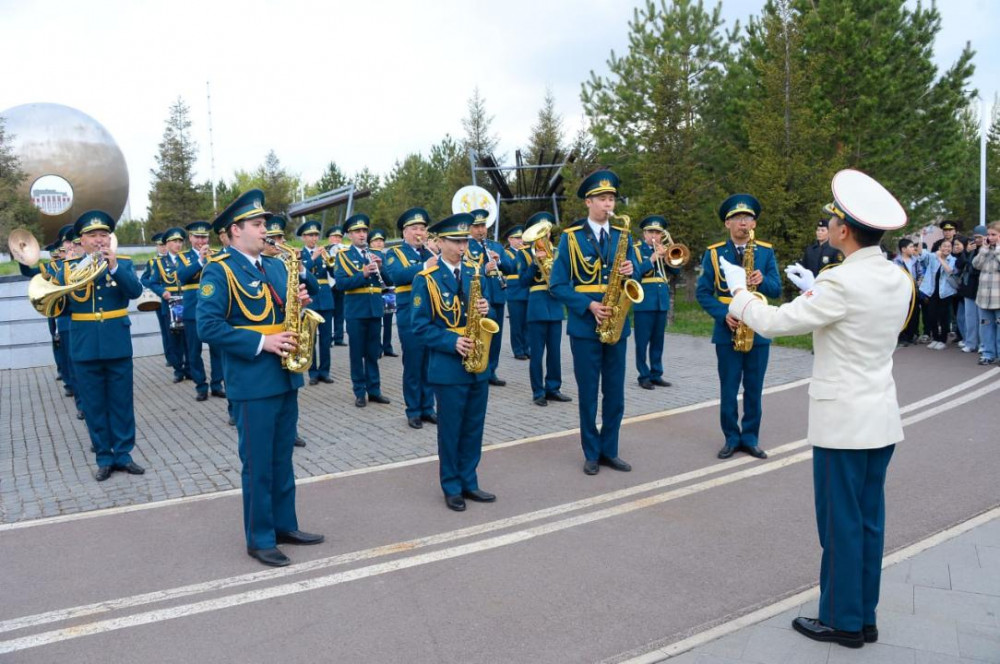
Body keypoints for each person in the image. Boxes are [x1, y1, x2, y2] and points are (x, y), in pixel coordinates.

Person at [723, 169, 911, 649]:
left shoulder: (841, 282)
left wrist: (740, 295)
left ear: (844, 230)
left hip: (842, 422)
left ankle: (843, 621)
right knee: (868, 521)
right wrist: (816, 288)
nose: (826, 227)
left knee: (840, 524)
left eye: (831, 221)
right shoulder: (897, 276)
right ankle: (863, 615)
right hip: (880, 416)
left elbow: (775, 322)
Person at [197, 189, 323, 567]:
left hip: (284, 375)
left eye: (264, 223)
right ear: (235, 231)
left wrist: (299, 303)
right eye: (257, 224)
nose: (265, 230)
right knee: (258, 462)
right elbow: (207, 326)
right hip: (252, 379)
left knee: (282, 457)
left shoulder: (274, 266)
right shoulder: (219, 270)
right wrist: (261, 341)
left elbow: (282, 307)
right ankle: (260, 538)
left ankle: (285, 525)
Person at [549, 170, 639, 475]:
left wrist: (632, 269)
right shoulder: (570, 239)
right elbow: (557, 285)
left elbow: (636, 271)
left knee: (615, 393)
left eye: (611, 198)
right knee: (588, 393)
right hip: (585, 327)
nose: (608, 204)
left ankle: (609, 450)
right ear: (589, 202)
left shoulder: (622, 236)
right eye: (602, 199)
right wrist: (588, 305)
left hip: (617, 324)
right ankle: (591, 452)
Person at [50, 211, 144, 481]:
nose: (100, 240)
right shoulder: (67, 269)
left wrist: (113, 266)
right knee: (93, 404)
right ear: (82, 240)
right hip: (84, 344)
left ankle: (124, 455)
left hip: (117, 342)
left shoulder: (122, 263)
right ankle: (104, 456)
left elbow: (135, 292)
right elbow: (59, 307)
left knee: (121, 402)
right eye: (93, 236)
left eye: (104, 235)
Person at [411, 213, 496, 511]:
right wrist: (452, 342)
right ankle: (451, 486)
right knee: (451, 430)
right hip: (448, 366)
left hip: (477, 363)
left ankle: (469, 481)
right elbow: (419, 327)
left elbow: (490, 316)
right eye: (456, 241)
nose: (463, 247)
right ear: (440, 242)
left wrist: (487, 309)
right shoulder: (426, 280)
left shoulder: (476, 274)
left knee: (474, 427)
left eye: (465, 241)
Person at [696, 193, 781, 460]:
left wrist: (762, 278)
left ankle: (751, 438)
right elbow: (703, 293)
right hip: (727, 329)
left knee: (754, 388)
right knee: (729, 388)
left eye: (748, 218)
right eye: (737, 218)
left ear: (753, 224)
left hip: (758, 331)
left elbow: (776, 289)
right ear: (727, 224)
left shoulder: (765, 252)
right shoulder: (712, 254)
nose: (743, 223)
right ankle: (731, 438)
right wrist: (723, 314)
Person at [384, 207, 438, 429]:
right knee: (414, 363)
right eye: (414, 229)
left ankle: (428, 407)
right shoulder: (394, 253)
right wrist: (425, 266)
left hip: (433, 312)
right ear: (405, 232)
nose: (419, 233)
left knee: (430, 362)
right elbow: (396, 276)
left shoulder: (432, 253)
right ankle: (413, 410)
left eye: (423, 229)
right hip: (410, 313)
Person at [333, 214, 390, 407]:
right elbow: (340, 284)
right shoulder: (343, 256)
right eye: (358, 231)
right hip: (356, 311)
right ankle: (359, 391)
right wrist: (363, 274)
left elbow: (390, 282)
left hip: (374, 309)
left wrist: (380, 269)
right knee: (357, 353)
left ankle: (374, 390)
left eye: (364, 231)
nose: (362, 234)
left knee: (373, 353)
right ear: (349, 234)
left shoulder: (376, 254)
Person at [518, 212, 571, 407]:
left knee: (555, 352)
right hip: (537, 307)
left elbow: (566, 277)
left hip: (555, 306)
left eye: (546, 231)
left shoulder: (558, 252)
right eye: (539, 232)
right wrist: (534, 263)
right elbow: (523, 281)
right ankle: (538, 391)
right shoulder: (524, 253)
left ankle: (553, 388)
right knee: (537, 353)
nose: (544, 235)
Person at [176, 221, 227, 401]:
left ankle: (217, 384)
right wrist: (199, 261)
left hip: (214, 310)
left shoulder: (216, 255)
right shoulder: (183, 257)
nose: (201, 240)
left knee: (217, 349)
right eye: (197, 237)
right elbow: (182, 277)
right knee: (194, 350)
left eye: (204, 237)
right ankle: (201, 386)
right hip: (192, 310)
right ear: (190, 238)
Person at [466, 209, 515, 386]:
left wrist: (499, 262)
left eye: (483, 226)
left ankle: (491, 370)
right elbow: (466, 270)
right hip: (480, 299)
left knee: (496, 336)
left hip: (498, 297)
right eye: (477, 226)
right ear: (470, 228)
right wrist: (484, 270)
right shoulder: (466, 247)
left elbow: (511, 268)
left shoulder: (495, 246)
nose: (481, 230)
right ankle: (480, 368)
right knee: (479, 335)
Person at [633, 215, 681, 389]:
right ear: (644, 233)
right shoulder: (636, 250)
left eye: (658, 232)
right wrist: (652, 259)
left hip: (661, 301)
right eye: (651, 232)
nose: (654, 235)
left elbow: (676, 272)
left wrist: (668, 257)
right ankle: (643, 375)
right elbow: (634, 274)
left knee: (658, 341)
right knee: (642, 341)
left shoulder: (664, 249)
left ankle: (656, 373)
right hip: (644, 301)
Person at [148, 227, 190, 383]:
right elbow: (152, 282)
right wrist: (162, 291)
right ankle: (178, 369)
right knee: (174, 338)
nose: (178, 244)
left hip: (187, 302)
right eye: (174, 241)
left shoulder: (187, 259)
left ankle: (190, 367)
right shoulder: (160, 262)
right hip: (170, 303)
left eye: (180, 241)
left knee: (189, 338)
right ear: (167, 244)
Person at [296, 219, 336, 385]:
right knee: (310, 339)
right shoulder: (301, 254)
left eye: (315, 235)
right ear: (303, 237)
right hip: (310, 299)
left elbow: (334, 273)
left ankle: (324, 371)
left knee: (326, 339)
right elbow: (301, 272)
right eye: (310, 235)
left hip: (325, 297)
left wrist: (331, 261)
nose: (313, 238)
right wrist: (313, 257)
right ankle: (312, 373)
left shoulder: (323, 252)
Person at [916, 238, 956, 349]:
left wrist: (940, 258)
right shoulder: (932, 257)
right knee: (931, 315)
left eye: (949, 247)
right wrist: (920, 238)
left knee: (944, 317)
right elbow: (921, 253)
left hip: (945, 293)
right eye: (944, 246)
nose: (946, 248)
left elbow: (949, 271)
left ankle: (943, 340)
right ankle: (936, 338)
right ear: (940, 248)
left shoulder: (952, 259)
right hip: (932, 291)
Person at [972, 221, 1000, 365]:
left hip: (998, 297)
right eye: (988, 234)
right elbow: (976, 265)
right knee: (986, 325)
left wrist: (997, 249)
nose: (990, 237)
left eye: (994, 234)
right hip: (984, 296)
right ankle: (988, 353)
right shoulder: (985, 249)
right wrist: (983, 250)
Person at [369, 228, 398, 358]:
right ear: (370, 243)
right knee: (376, 321)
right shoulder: (370, 255)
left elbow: (390, 276)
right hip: (376, 291)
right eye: (376, 241)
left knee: (388, 321)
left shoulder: (386, 255)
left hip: (389, 291)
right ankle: (377, 347)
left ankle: (387, 346)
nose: (379, 243)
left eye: (381, 240)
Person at [958, 225, 987, 354]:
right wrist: (966, 252)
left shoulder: (989, 250)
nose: (977, 240)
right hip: (969, 287)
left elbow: (978, 267)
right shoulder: (970, 249)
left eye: (980, 237)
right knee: (970, 317)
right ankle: (970, 343)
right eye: (975, 237)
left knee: (983, 318)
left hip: (984, 288)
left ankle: (983, 344)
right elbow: (960, 265)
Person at [503, 225, 530, 360]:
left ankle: (527, 348)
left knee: (527, 322)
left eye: (522, 238)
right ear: (510, 240)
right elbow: (510, 267)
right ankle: (518, 349)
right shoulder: (507, 253)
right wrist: (521, 253)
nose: (520, 241)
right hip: (515, 292)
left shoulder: (526, 252)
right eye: (517, 238)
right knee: (517, 323)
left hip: (527, 290)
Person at [891, 238, 920, 346]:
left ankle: (912, 335)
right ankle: (902, 336)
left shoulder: (915, 260)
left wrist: (919, 281)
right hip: (902, 292)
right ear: (903, 249)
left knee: (914, 313)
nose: (914, 249)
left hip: (914, 291)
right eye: (911, 247)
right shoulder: (896, 262)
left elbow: (920, 273)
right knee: (903, 313)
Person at [326, 227, 348, 347]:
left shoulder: (345, 250)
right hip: (329, 284)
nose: (337, 239)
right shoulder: (324, 250)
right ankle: (328, 338)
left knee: (340, 312)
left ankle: (339, 337)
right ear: (329, 238)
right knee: (329, 313)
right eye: (334, 237)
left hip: (340, 284)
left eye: (339, 237)